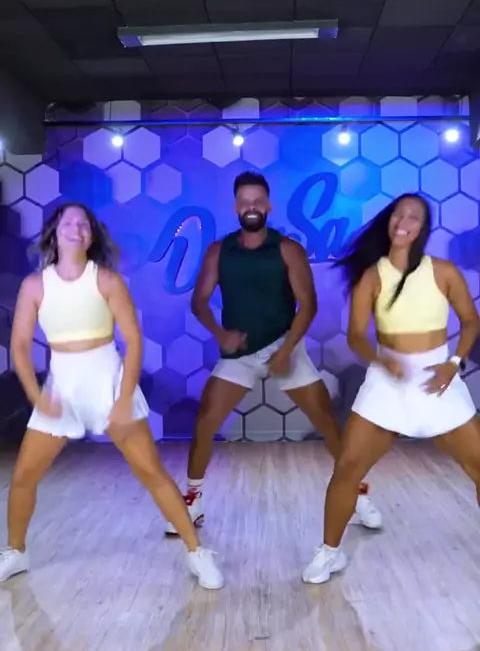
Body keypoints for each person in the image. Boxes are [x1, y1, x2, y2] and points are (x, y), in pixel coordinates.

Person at [0, 203, 224, 590]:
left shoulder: (106, 280)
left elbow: (133, 341)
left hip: (107, 380)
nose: (76, 229)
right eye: (68, 223)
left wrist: (123, 399)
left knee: (151, 472)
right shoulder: (35, 286)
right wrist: (37, 397)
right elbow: (19, 346)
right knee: (23, 477)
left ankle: (197, 552)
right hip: (61, 389)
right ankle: (16, 551)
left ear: (91, 235)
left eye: (83, 224)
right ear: (55, 232)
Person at [164, 171, 381, 534]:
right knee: (204, 424)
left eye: (257, 201)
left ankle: (356, 495)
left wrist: (287, 350)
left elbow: (308, 305)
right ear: (236, 207)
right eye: (244, 201)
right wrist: (220, 334)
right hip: (240, 354)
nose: (251, 207)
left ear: (268, 206)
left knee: (328, 423)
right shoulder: (219, 251)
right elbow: (199, 301)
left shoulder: (288, 249)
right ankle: (193, 501)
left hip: (285, 345)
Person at [303, 193, 480, 584]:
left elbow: (471, 322)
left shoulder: (444, 272)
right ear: (389, 221)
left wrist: (454, 363)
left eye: (413, 217)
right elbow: (355, 336)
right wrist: (382, 361)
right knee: (348, 468)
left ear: (423, 229)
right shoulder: (372, 276)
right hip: (387, 380)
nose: (403, 222)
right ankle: (329, 553)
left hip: (438, 377)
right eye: (398, 214)